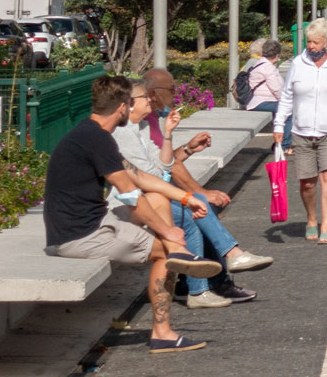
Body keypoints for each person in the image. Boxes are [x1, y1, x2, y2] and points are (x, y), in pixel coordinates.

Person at [44, 74, 221, 355]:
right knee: (166, 252)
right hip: (81, 235)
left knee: (159, 202)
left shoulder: (92, 133)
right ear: (123, 106)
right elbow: (129, 193)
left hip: (86, 226)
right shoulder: (97, 139)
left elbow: (138, 176)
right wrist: (168, 232)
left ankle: (181, 254)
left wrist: (185, 197)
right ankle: (163, 332)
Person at [120, 78, 268, 307]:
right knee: (192, 215)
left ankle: (209, 280)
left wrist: (168, 134)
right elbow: (149, 177)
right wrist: (186, 196)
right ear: (129, 104)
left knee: (197, 206)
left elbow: (163, 168)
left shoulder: (139, 128)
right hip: (133, 202)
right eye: (144, 97)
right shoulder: (123, 134)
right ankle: (217, 273)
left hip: (153, 195)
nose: (150, 99)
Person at [274, 17, 327, 242]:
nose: (310, 46)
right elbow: (287, 96)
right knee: (307, 182)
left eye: (316, 42)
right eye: (309, 42)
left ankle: (326, 226)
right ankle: (312, 218)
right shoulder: (298, 64)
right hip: (301, 131)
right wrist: (279, 124)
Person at [240, 38, 284, 121]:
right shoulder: (268, 67)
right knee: (289, 108)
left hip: (258, 101)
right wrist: (285, 100)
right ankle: (285, 133)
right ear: (276, 55)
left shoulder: (259, 63)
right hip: (261, 102)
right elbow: (276, 89)